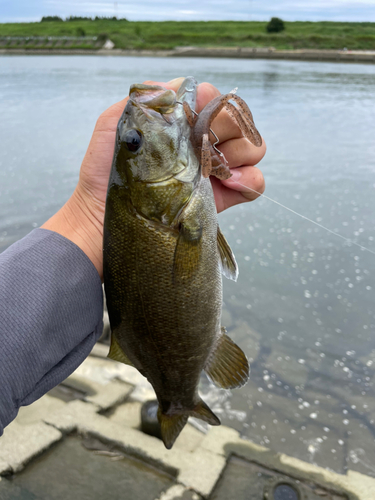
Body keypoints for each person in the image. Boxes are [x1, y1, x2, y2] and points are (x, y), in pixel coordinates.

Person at [0, 78, 266, 435]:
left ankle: (176, 401)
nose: (136, 137)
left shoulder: (171, 209)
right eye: (133, 143)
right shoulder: (170, 210)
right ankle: (177, 402)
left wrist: (87, 217)